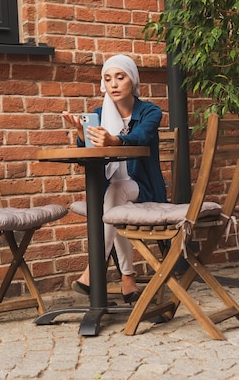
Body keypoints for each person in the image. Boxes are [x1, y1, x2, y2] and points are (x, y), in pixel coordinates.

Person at [62, 55, 167, 303]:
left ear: (133, 80)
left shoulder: (150, 111)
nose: (114, 84)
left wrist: (116, 140)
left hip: (143, 187)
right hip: (112, 191)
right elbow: (90, 153)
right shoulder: (99, 114)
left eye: (121, 77)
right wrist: (81, 135)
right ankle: (128, 281)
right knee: (115, 202)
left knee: (115, 195)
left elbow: (141, 137)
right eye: (108, 79)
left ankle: (93, 272)